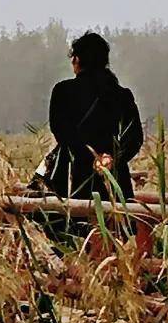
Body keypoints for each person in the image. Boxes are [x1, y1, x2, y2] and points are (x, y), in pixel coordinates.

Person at [44, 31, 144, 204]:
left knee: (72, 226)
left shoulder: (63, 91)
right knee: (119, 225)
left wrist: (90, 158)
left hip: (73, 176)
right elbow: (134, 138)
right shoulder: (122, 95)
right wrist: (111, 160)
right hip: (114, 180)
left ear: (77, 59)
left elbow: (61, 132)